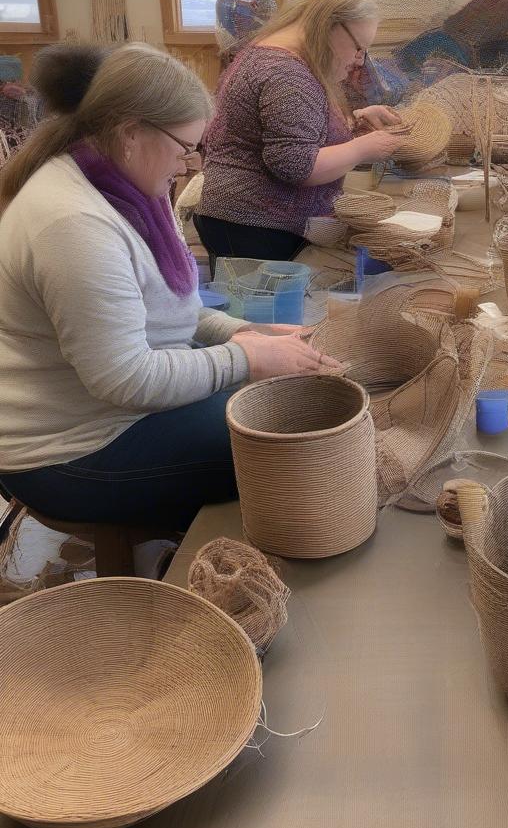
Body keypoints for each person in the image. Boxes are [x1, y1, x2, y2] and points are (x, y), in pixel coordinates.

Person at [0, 43, 342, 531]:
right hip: (67, 454)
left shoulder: (125, 187)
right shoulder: (74, 223)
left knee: (278, 403)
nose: (190, 165)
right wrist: (246, 358)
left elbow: (170, 309)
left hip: (113, 416)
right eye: (185, 148)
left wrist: (245, 332)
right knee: (293, 446)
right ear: (131, 132)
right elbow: (126, 379)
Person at [195, 0, 405, 269]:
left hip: (251, 223)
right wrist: (362, 148)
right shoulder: (287, 74)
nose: (359, 61)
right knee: (262, 311)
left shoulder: (279, 58)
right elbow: (297, 166)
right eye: (359, 48)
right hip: (253, 227)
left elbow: (294, 131)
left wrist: (353, 124)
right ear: (332, 26)